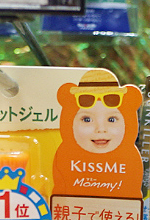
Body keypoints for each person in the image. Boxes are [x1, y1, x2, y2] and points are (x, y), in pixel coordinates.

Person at [53, 69, 143, 199]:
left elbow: (132, 195)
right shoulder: (64, 156)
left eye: (111, 120)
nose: (100, 129)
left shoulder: (130, 159)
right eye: (87, 119)